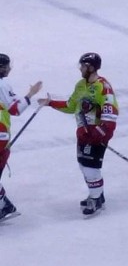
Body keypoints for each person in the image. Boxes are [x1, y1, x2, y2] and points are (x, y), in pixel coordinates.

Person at [39, 53, 119, 217]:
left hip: (96, 134)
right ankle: (97, 194)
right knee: (84, 164)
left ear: (91, 67)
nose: (81, 69)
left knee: (91, 167)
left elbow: (111, 112)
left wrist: (101, 132)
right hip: (83, 133)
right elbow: (71, 106)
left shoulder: (103, 86)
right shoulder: (81, 85)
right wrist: (51, 103)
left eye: (83, 66)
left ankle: (95, 198)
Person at [0, 54, 42, 222]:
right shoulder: (2, 84)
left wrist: (29, 95)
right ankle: (5, 205)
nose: (10, 69)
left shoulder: (2, 84)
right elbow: (16, 109)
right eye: (7, 66)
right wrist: (30, 94)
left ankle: (5, 206)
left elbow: (14, 108)